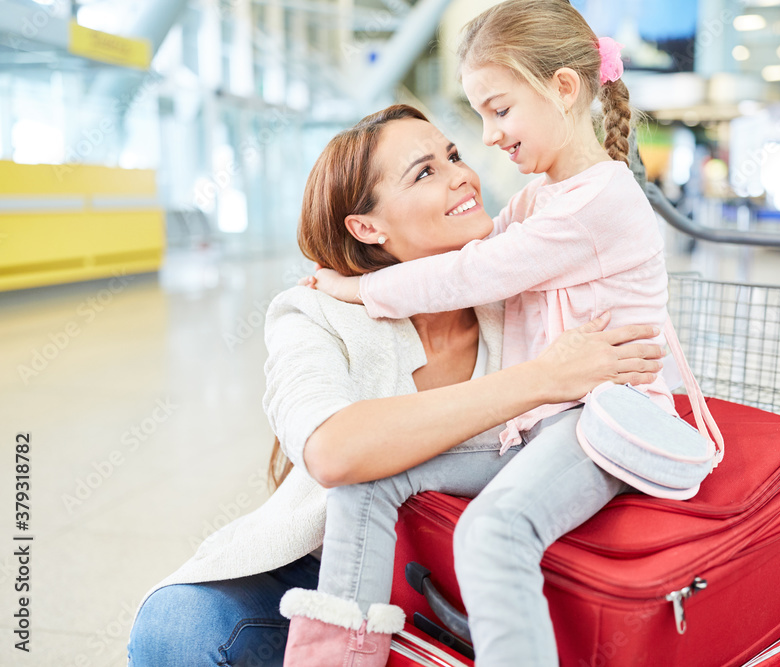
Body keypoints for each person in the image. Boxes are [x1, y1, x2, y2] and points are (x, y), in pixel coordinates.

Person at [125, 104, 664, 667]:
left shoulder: (521, 290)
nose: (461, 174)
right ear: (366, 227)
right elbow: (333, 451)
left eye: (453, 155)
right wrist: (539, 380)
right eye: (424, 172)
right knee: (177, 628)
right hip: (336, 560)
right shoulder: (316, 311)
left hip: (480, 561)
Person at [299, 1, 724, 664]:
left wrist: (358, 287)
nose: (489, 136)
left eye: (498, 109)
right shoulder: (537, 199)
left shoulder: (602, 198)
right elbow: (465, 263)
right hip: (542, 422)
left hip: (602, 420)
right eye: (480, 116)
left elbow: (472, 273)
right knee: (366, 481)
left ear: (562, 88)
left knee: (494, 531)